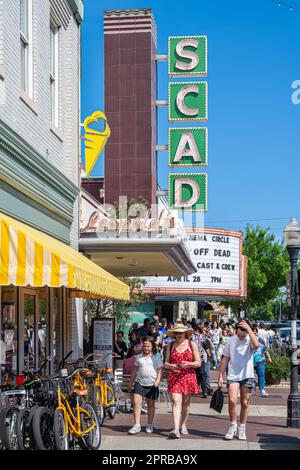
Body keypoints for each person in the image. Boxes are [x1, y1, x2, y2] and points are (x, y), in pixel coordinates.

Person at [218, 319, 259, 441]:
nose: (243, 332)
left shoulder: (249, 340)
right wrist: (220, 375)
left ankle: (242, 427)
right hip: (233, 375)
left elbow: (256, 345)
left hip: (247, 375)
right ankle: (232, 425)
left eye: (245, 329)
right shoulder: (231, 341)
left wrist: (249, 329)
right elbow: (225, 358)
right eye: (241, 329)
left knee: (245, 403)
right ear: (236, 330)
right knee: (231, 400)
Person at [165, 323, 201, 439]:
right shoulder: (170, 346)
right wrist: (171, 366)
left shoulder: (192, 345)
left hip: (188, 376)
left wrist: (188, 364)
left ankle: (183, 424)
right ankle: (176, 429)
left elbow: (198, 363)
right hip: (174, 376)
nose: (178, 335)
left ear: (185, 333)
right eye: (176, 333)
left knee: (185, 404)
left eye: (180, 333)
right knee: (176, 401)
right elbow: (165, 363)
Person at [128, 336, 163, 435]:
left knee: (150, 405)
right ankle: (137, 425)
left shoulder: (156, 357)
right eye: (145, 346)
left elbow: (160, 371)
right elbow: (134, 371)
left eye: (148, 346)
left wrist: (158, 381)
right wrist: (131, 383)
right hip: (140, 383)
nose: (146, 348)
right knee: (136, 402)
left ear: (152, 346)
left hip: (152, 384)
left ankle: (149, 424)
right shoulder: (139, 357)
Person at [252, 325, 272, 397]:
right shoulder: (248, 340)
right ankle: (252, 389)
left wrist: (269, 358)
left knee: (261, 375)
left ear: (257, 333)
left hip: (261, 360)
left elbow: (265, 350)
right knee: (251, 376)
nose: (254, 334)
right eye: (252, 333)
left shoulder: (261, 340)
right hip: (250, 361)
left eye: (255, 333)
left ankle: (262, 390)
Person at [192, 326, 211, 398]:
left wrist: (209, 355)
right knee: (200, 374)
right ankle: (200, 390)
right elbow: (206, 347)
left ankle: (202, 390)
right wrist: (209, 355)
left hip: (200, 358)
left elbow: (206, 347)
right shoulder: (198, 337)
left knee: (200, 374)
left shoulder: (200, 337)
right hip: (198, 358)